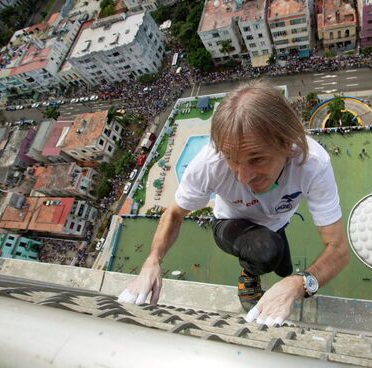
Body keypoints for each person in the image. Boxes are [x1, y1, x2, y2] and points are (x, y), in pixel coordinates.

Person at [118, 80, 349, 326]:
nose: (243, 176)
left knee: (284, 269)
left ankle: (271, 266)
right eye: (232, 159)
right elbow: (175, 213)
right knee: (265, 250)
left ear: (287, 143)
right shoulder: (209, 163)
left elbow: (338, 248)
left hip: (276, 223)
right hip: (230, 223)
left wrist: (298, 283)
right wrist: (152, 260)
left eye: (257, 159)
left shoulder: (313, 164)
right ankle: (248, 274)